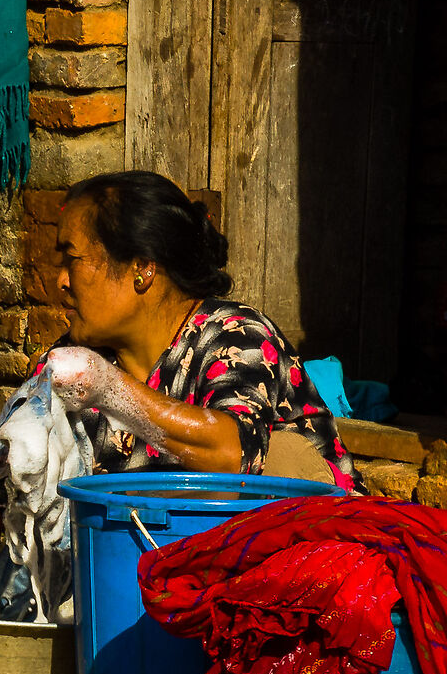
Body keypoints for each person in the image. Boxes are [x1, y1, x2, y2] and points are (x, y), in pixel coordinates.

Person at [45, 169, 352, 488]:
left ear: (142, 268)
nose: (61, 281)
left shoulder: (238, 337)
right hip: (149, 537)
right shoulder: (75, 361)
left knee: (283, 456)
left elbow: (233, 457)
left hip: (304, 530)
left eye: (72, 260)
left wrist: (109, 389)